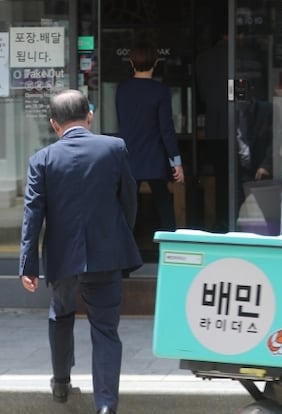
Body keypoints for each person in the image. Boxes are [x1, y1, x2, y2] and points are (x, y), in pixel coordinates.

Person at [19, 89, 142, 414]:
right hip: (106, 255)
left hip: (63, 258)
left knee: (60, 314)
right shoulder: (114, 148)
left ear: (53, 123)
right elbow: (129, 199)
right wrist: (120, 236)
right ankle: (106, 406)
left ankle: (61, 382)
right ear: (90, 116)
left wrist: (28, 264)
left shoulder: (42, 159)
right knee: (105, 329)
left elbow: (33, 214)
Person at [116, 41, 184, 232]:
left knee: (128, 208)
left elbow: (123, 122)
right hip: (155, 156)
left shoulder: (122, 89)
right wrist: (176, 162)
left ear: (131, 63)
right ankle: (171, 244)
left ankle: (124, 247)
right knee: (163, 203)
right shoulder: (160, 91)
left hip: (129, 155)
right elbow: (166, 129)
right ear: (156, 62)